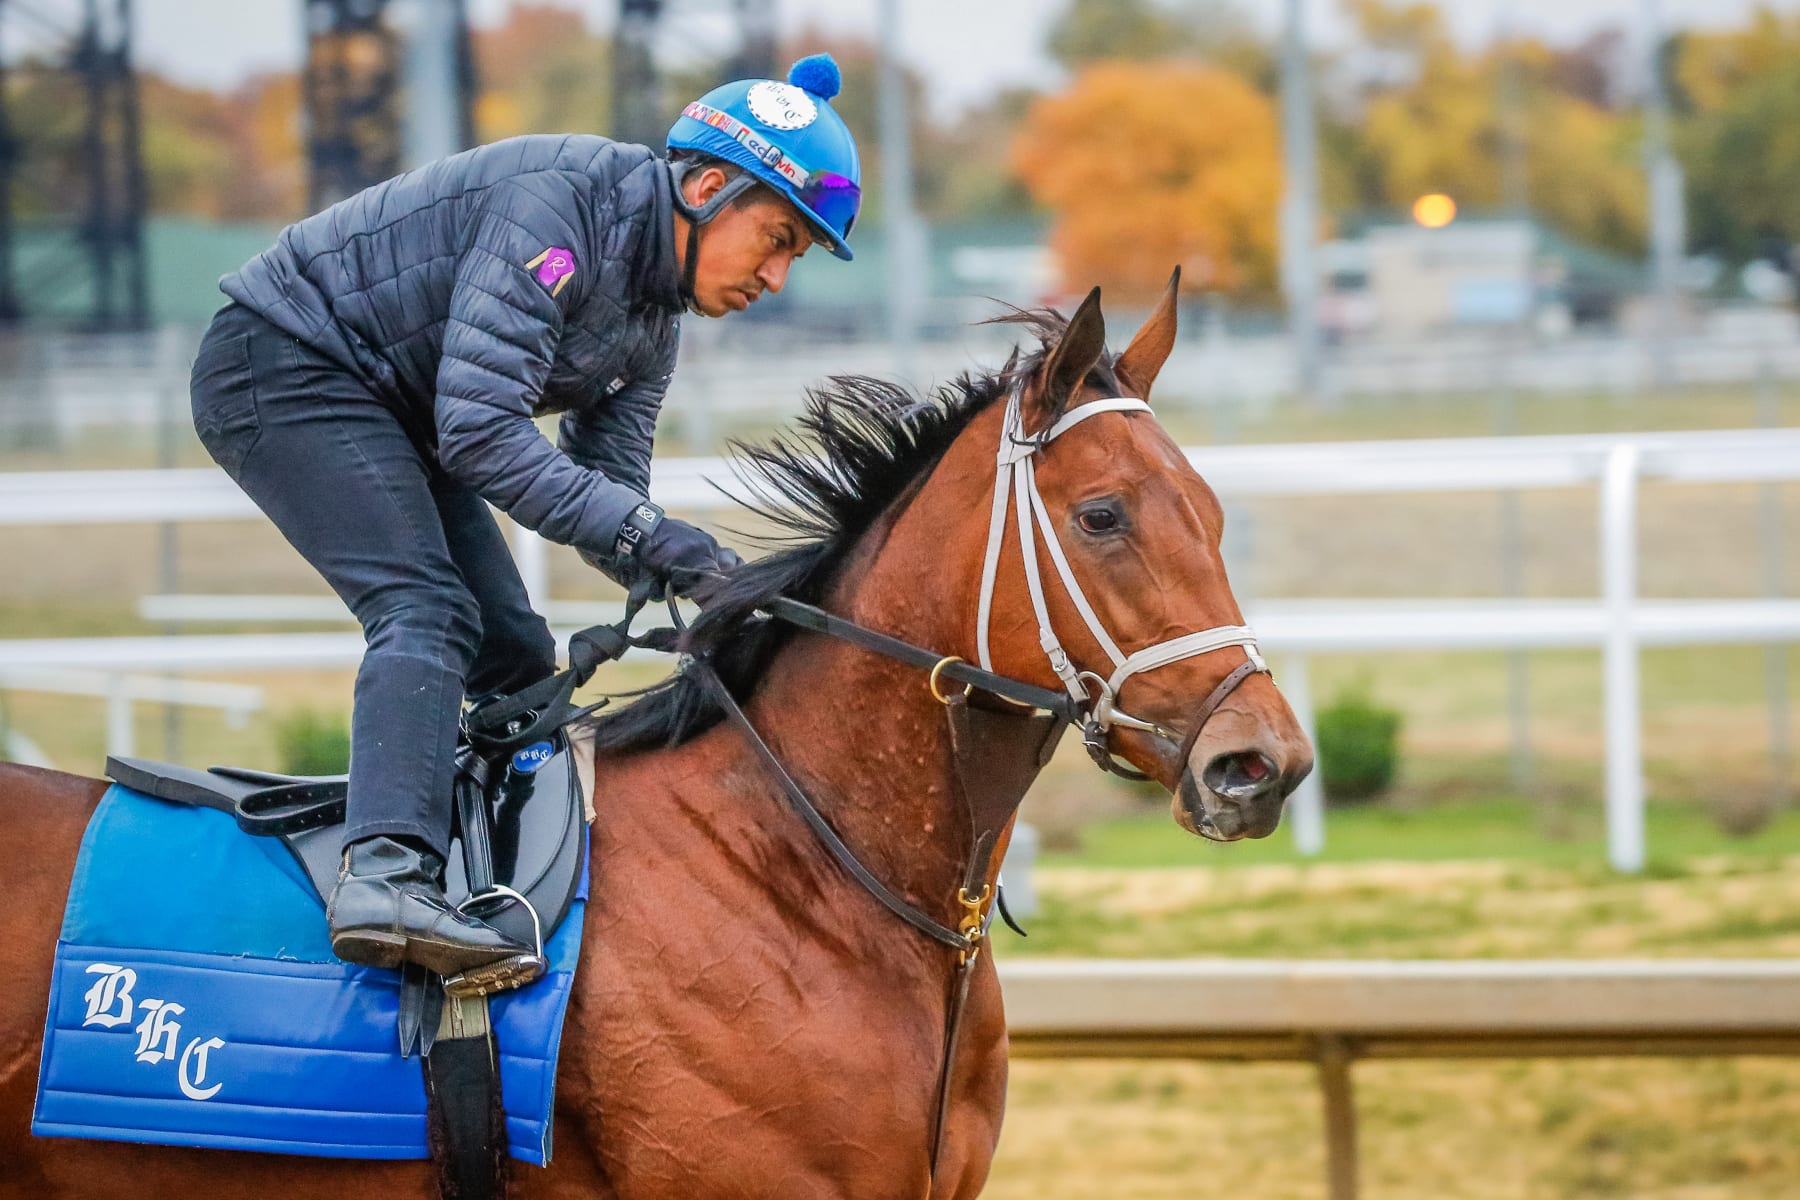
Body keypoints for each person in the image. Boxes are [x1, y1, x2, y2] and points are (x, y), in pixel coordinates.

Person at [187, 54, 860, 982]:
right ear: (708, 189)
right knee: (427, 610)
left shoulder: (653, 324)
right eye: (777, 238)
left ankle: (499, 881)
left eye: (797, 255)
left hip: (396, 408)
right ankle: (384, 878)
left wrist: (707, 583)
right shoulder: (557, 211)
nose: (777, 277)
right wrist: (657, 539)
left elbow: (606, 488)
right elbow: (481, 435)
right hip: (282, 363)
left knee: (514, 655)